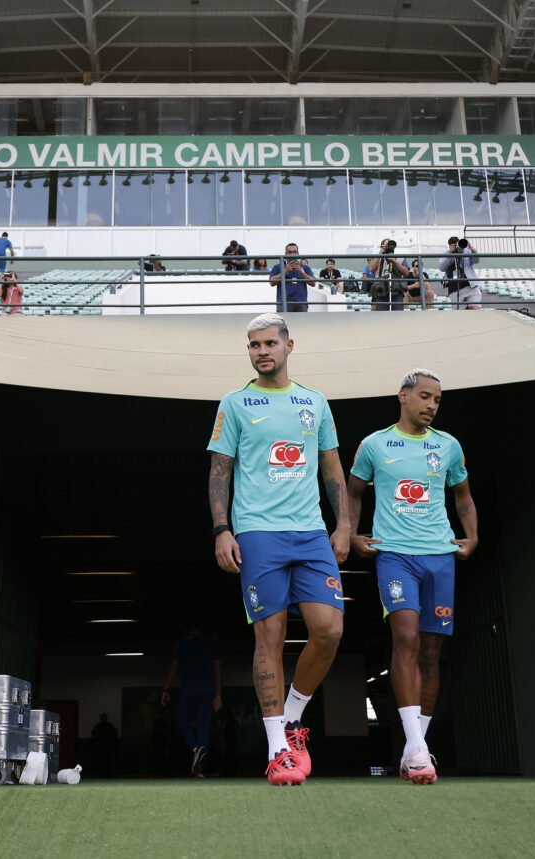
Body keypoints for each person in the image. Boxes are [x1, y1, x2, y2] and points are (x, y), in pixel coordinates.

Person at [206, 313, 351, 786]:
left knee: (329, 630)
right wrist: (222, 529)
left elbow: (332, 467)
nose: (262, 351)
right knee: (268, 638)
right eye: (254, 345)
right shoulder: (235, 402)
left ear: (290, 345)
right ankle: (277, 752)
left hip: (311, 532)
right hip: (257, 533)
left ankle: (292, 719)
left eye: (270, 343)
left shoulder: (315, 401)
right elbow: (220, 471)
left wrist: (344, 524)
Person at [347, 369, 478, 785]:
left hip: (440, 558)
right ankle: (419, 750)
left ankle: (414, 746)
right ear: (402, 396)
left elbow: (463, 496)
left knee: (431, 653)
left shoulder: (448, 446)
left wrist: (472, 536)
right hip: (395, 556)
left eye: (437, 400)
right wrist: (350, 533)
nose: (432, 406)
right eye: (424, 397)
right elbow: (352, 492)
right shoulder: (374, 444)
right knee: (405, 638)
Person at [160, 625, 223, 778]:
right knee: (203, 725)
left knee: (181, 722)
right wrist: (218, 694)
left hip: (188, 690)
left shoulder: (181, 644)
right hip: (207, 690)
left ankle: (195, 748)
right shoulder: (210, 644)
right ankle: (199, 762)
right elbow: (218, 669)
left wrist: (165, 689)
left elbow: (173, 669)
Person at [268, 244, 316, 313]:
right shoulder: (278, 267)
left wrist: (301, 271)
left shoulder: (305, 267)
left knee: (301, 323)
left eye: (294, 252)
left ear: (298, 253)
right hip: (283, 303)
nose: (292, 254)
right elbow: (272, 282)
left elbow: (313, 283)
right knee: (283, 323)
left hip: (301, 303)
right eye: (290, 252)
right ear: (285, 254)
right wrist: (285, 271)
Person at [367, 238, 410, 312]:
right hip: (381, 290)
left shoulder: (400, 258)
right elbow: (371, 269)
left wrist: (395, 261)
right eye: (386, 245)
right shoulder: (377, 258)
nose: (388, 247)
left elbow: (406, 272)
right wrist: (380, 253)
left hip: (396, 290)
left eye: (390, 244)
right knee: (382, 315)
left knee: (398, 315)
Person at [438, 237, 482, 309]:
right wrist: (450, 253)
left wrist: (473, 250)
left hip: (471, 286)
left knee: (475, 310)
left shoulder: (467, 251)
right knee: (461, 315)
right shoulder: (446, 254)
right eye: (454, 245)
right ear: (450, 246)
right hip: (455, 289)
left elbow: (476, 261)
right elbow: (441, 268)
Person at [90, 713, 120, 778]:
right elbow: (93, 734)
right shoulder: (98, 726)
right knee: (100, 761)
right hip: (100, 747)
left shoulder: (110, 726)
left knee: (108, 762)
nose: (103, 719)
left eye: (104, 717)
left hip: (108, 747)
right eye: (102, 717)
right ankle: (99, 774)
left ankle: (108, 774)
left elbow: (115, 734)